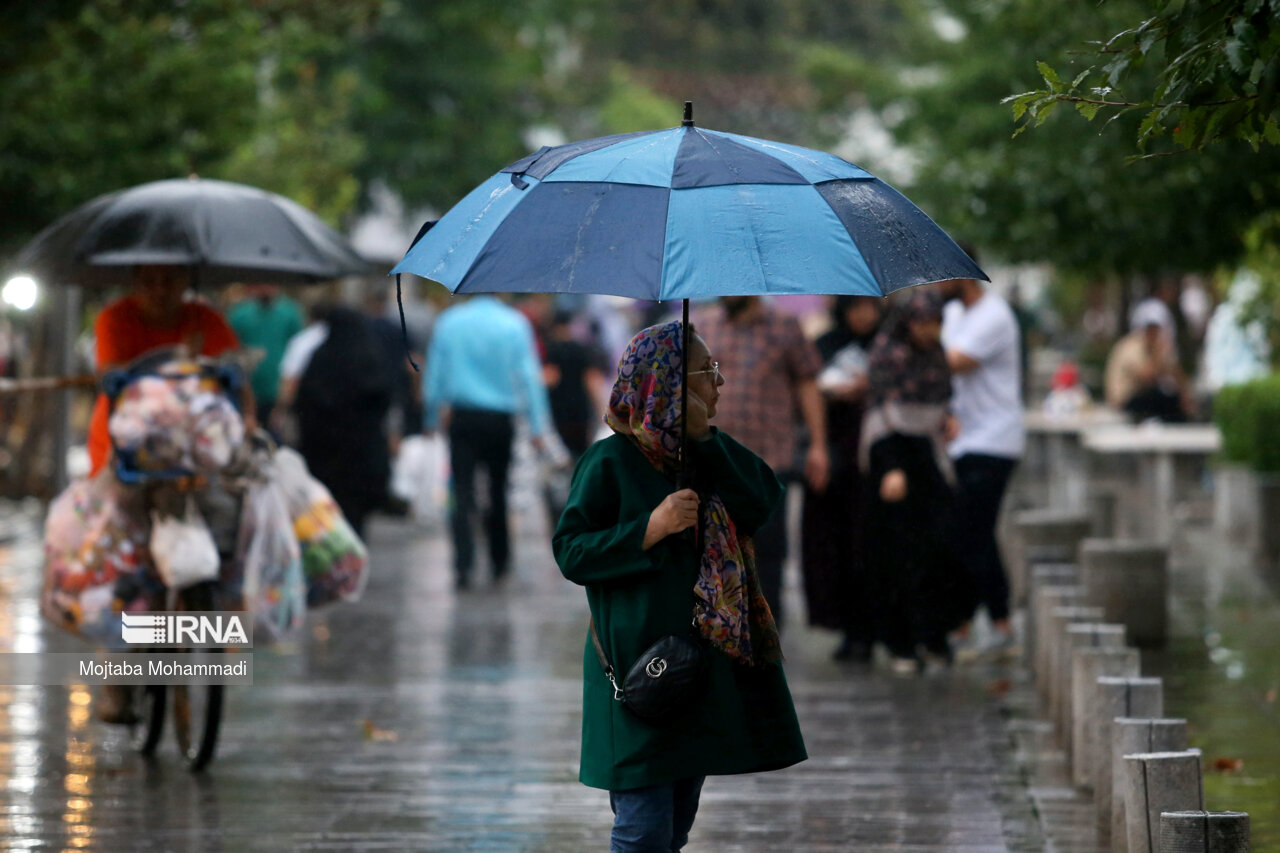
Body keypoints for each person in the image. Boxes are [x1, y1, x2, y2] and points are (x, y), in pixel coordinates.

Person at [554, 321, 807, 852]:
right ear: (667, 383)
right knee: (643, 829)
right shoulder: (609, 460)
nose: (719, 382)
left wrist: (704, 439)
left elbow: (762, 499)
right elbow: (572, 550)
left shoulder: (704, 455)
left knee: (675, 824)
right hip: (637, 666)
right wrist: (649, 528)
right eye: (706, 371)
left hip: (697, 669)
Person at [695, 296, 829, 626]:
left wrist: (818, 444)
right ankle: (721, 633)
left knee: (767, 555)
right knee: (715, 552)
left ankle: (766, 634)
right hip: (716, 461)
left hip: (769, 462)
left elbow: (807, 382)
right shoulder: (704, 326)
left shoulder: (785, 326)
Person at [861, 292, 971, 674]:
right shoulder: (886, 353)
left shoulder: (935, 354)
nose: (930, 330)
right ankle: (901, 643)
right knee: (898, 555)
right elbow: (880, 414)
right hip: (893, 462)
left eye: (936, 323)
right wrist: (891, 467)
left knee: (939, 549)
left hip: (928, 461)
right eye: (924, 322)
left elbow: (942, 400)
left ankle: (934, 636)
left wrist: (948, 418)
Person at [423, 294, 553, 589]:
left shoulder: (449, 322)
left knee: (461, 491)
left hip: (463, 418)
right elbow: (529, 376)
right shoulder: (514, 323)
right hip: (500, 420)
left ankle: (463, 565)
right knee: (498, 490)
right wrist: (538, 427)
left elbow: (434, 375)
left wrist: (430, 418)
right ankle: (499, 561)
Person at [938, 260, 1025, 655]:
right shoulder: (955, 313)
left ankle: (999, 621)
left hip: (993, 441)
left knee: (975, 532)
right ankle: (964, 621)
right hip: (963, 440)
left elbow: (955, 362)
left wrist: (911, 350)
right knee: (966, 533)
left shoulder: (994, 315)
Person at [89, 264, 239, 476]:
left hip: (193, 443)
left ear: (185, 282)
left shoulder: (206, 321)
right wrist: (180, 357)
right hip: (122, 443)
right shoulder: (114, 318)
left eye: (168, 280)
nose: (160, 290)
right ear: (136, 283)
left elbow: (234, 373)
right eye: (149, 281)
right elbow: (107, 372)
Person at [801, 296, 881, 662]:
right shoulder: (824, 346)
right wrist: (831, 393)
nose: (865, 315)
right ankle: (847, 628)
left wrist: (871, 386)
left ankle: (870, 629)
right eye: (856, 307)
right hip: (832, 461)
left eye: (870, 307)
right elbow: (805, 392)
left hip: (874, 462)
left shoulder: (886, 346)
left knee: (868, 544)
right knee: (833, 546)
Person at [292, 305, 395, 539]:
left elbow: (303, 404)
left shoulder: (320, 358)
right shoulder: (371, 359)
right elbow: (384, 403)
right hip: (363, 457)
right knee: (356, 519)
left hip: (325, 456)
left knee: (327, 517)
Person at [227, 284, 304, 430]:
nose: (266, 288)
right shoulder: (240, 314)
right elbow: (230, 349)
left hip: (277, 389)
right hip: (246, 388)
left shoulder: (290, 313)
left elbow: (298, 348)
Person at [1105, 300, 1194, 422]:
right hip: (1124, 400)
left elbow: (1174, 371)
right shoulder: (1130, 347)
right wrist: (1160, 354)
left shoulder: (1153, 346)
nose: (1154, 333)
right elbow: (1147, 377)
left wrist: (1185, 392)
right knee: (1164, 400)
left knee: (1171, 398)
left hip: (1140, 398)